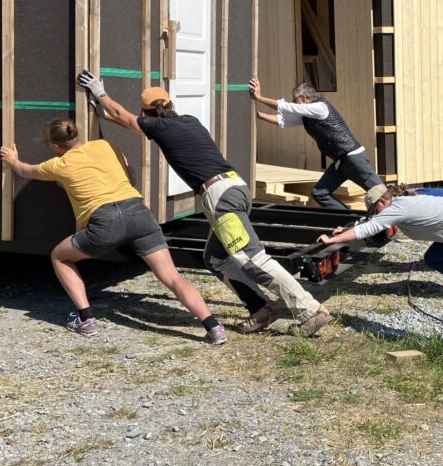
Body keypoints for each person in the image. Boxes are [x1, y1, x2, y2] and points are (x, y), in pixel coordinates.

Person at [76, 70, 332, 337]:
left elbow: (125, 117)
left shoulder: (157, 125)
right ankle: (260, 309)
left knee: (253, 259)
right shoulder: (189, 121)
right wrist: (105, 114)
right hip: (236, 187)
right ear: (170, 105)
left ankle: (309, 310)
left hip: (220, 198)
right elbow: (130, 121)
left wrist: (99, 92)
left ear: (147, 113)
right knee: (217, 258)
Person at [0, 119, 228, 344]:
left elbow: (25, 170)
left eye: (49, 143)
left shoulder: (59, 164)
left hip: (104, 222)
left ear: (58, 146)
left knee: (59, 257)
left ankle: (86, 319)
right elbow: (132, 177)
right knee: (171, 276)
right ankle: (213, 326)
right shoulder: (106, 145)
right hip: (138, 212)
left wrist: (12, 159)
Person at [318, 184, 443, 298]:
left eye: (375, 210)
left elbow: (368, 228)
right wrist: (347, 230)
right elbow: (370, 224)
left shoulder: (398, 207)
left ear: (382, 201)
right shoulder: (402, 202)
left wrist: (332, 240)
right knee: (434, 257)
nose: (376, 215)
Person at [249, 77, 382, 210]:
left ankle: (397, 222)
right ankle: (348, 221)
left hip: (353, 158)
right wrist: (258, 114)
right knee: (320, 193)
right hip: (340, 162)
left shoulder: (320, 108)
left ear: (304, 98)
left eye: (295, 100)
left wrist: (259, 97)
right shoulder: (307, 115)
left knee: (380, 194)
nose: (293, 103)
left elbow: (288, 108)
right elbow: (283, 120)